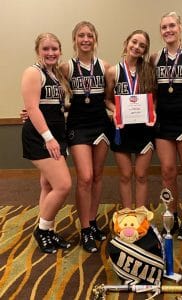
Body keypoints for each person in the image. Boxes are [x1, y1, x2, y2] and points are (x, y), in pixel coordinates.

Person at [60, 21, 112, 253]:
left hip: (101, 125)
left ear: (95, 39)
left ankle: (92, 223)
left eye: (89, 35)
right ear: (74, 39)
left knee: (98, 176)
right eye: (81, 35)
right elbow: (52, 94)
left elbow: (109, 98)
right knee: (85, 177)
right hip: (78, 126)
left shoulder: (104, 66)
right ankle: (84, 230)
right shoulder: (66, 67)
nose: (85, 39)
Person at [150, 12, 182, 239]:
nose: (168, 30)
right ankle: (172, 215)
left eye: (172, 25)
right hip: (163, 122)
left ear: (180, 27)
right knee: (168, 171)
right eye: (164, 27)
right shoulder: (154, 58)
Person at [21, 33, 72, 254]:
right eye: (46, 49)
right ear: (38, 51)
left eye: (54, 49)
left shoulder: (56, 74)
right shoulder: (33, 72)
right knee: (63, 185)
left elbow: (54, 106)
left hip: (57, 134)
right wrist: (48, 138)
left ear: (60, 51)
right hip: (42, 138)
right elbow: (32, 108)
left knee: (48, 185)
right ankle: (42, 230)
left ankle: (48, 229)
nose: (51, 53)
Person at [105, 30, 156, 209]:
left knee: (141, 175)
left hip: (144, 129)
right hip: (122, 128)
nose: (137, 47)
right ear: (126, 42)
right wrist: (116, 109)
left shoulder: (149, 70)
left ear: (145, 50)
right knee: (125, 175)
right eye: (134, 42)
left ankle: (141, 214)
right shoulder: (113, 71)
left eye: (142, 46)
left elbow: (155, 98)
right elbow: (106, 99)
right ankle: (127, 213)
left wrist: (153, 110)